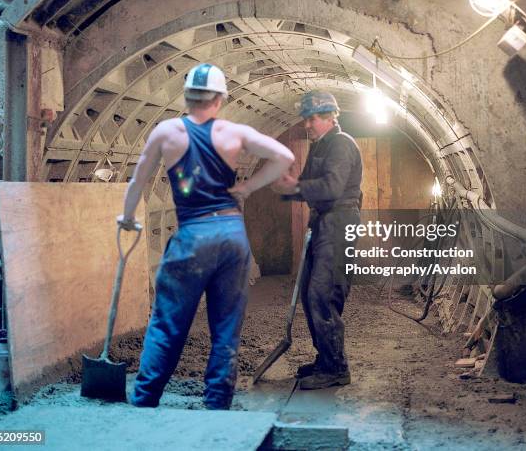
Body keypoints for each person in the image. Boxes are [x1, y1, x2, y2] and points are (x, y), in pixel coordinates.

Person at [117, 63, 294, 410]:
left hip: (192, 237)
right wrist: (248, 187)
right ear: (221, 98)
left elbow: (138, 180)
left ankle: (144, 400)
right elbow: (283, 156)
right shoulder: (233, 132)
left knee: (168, 324)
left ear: (186, 97)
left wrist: (126, 218)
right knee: (226, 328)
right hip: (231, 236)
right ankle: (217, 405)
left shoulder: (167, 132)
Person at [273, 90, 362, 390]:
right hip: (323, 224)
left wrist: (297, 188)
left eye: (311, 119)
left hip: (339, 224)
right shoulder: (320, 145)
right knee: (311, 295)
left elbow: (331, 187)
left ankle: (337, 368)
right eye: (306, 119)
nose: (307, 125)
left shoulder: (341, 144)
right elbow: (311, 183)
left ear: (329, 117)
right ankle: (325, 358)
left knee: (323, 294)